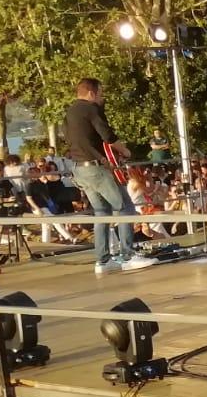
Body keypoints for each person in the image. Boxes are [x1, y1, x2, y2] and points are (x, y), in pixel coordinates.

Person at [63, 78, 157, 274]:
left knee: (101, 213)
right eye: (100, 93)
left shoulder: (70, 112)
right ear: (92, 93)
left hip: (80, 168)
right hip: (96, 169)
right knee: (125, 207)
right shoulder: (91, 109)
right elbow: (108, 136)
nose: (102, 97)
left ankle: (103, 260)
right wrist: (125, 151)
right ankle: (127, 255)